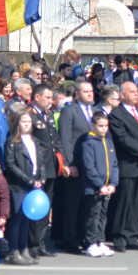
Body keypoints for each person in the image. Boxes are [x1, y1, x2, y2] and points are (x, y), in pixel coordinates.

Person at [107, 82, 138, 252]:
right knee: (124, 202)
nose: (136, 94)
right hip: (128, 164)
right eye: (132, 92)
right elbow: (123, 139)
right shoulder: (116, 114)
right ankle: (119, 237)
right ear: (122, 95)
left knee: (137, 202)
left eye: (137, 92)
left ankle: (132, 236)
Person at [3, 109, 49, 264]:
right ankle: (14, 251)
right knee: (17, 219)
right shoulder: (12, 142)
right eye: (23, 121)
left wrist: (41, 178)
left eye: (29, 121)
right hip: (19, 185)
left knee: (26, 219)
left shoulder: (34, 140)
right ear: (17, 123)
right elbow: (11, 165)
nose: (27, 124)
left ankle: (24, 249)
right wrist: (29, 180)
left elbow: (40, 162)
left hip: (33, 184)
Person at [54, 80, 95, 250]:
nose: (90, 94)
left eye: (91, 91)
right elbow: (65, 138)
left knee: (87, 204)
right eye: (86, 91)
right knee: (72, 204)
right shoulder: (69, 110)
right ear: (77, 94)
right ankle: (69, 239)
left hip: (90, 164)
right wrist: (69, 164)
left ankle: (83, 236)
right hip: (75, 163)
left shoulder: (94, 111)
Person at [28, 83, 68, 257]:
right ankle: (32, 244)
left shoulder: (49, 114)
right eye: (47, 97)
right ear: (37, 97)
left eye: (52, 98)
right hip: (37, 167)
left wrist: (63, 162)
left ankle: (41, 242)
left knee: (45, 206)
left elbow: (56, 140)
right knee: (35, 207)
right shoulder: (28, 115)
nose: (51, 101)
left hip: (51, 166)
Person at [79, 111, 118, 256]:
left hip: (107, 187)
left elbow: (114, 164)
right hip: (94, 188)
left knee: (103, 215)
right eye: (100, 126)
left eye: (106, 126)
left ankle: (100, 241)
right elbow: (89, 167)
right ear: (93, 125)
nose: (104, 129)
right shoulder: (88, 143)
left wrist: (113, 183)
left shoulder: (108, 142)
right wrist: (100, 185)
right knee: (93, 215)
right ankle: (90, 243)